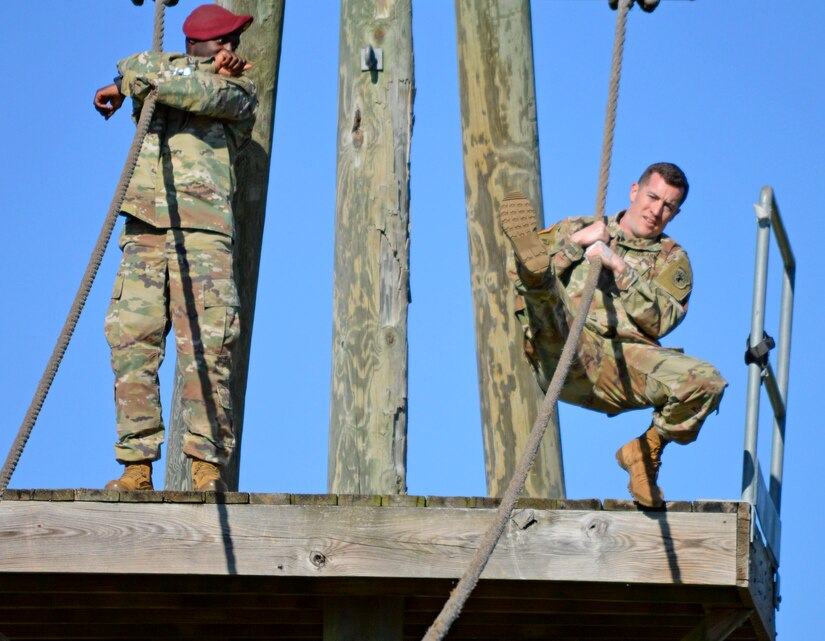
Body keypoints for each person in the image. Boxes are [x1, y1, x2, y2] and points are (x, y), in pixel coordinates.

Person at [93, 4, 258, 492]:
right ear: (196, 45)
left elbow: (196, 92)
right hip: (145, 229)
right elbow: (132, 63)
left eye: (234, 42)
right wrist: (129, 80)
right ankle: (136, 467)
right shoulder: (159, 77)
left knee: (208, 351)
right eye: (222, 42)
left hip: (204, 236)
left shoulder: (239, 87)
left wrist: (133, 84)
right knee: (131, 344)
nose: (231, 50)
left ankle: (206, 469)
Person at [500, 162, 727, 507]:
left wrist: (619, 267)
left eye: (668, 206)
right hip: (565, 348)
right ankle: (541, 279)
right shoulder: (578, 226)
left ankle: (645, 451)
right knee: (541, 289)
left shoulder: (672, 261)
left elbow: (660, 321)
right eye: (652, 197)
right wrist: (576, 245)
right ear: (635, 191)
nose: (656, 210)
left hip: (622, 366)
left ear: (676, 213)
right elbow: (512, 282)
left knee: (706, 381)